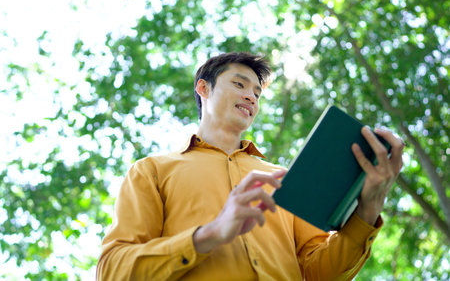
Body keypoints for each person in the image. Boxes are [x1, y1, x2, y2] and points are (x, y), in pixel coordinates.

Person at [96, 52, 404, 280]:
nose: (251, 96)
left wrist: (368, 209)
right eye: (240, 84)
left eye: (257, 92)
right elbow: (113, 271)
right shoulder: (152, 171)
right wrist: (210, 234)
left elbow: (319, 272)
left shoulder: (284, 178)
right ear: (204, 89)